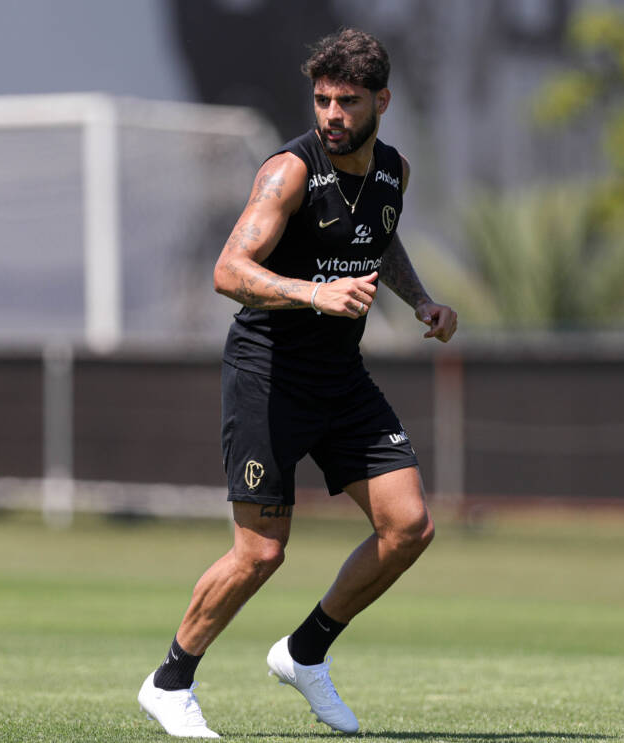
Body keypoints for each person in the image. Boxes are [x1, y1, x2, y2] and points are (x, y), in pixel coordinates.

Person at [138, 27, 458, 738]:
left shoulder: (393, 173)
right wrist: (317, 294)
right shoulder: (287, 172)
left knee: (409, 525)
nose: (332, 114)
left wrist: (420, 301)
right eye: (322, 100)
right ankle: (169, 681)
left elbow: (382, 235)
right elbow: (228, 271)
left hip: (340, 376)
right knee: (262, 552)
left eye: (348, 101)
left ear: (382, 100)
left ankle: (304, 651)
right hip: (268, 374)